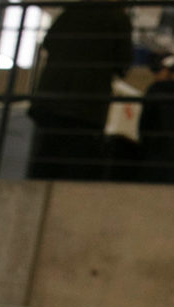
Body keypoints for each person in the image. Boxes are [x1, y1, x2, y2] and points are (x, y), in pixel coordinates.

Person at [26, 0, 133, 180]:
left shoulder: (73, 10)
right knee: (76, 166)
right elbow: (123, 63)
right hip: (86, 105)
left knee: (46, 159)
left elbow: (49, 41)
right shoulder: (117, 17)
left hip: (51, 98)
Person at [136, 52, 174, 184]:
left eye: (159, 71)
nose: (155, 75)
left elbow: (144, 129)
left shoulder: (156, 91)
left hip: (157, 170)